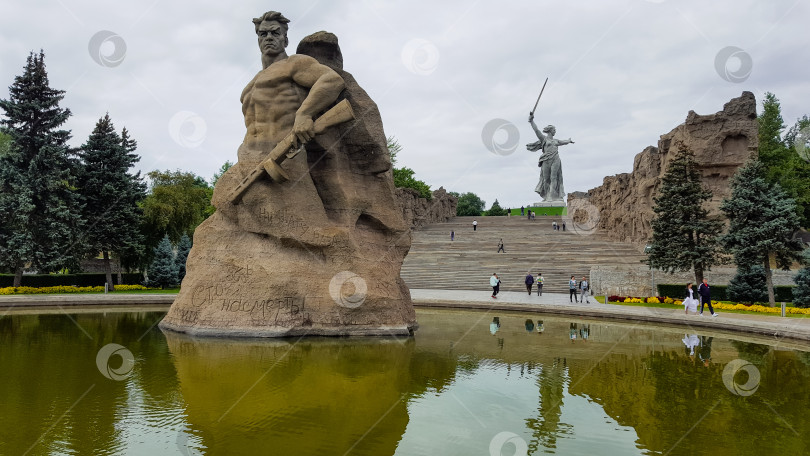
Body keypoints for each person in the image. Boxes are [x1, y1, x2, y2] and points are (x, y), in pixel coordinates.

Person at [527, 113, 574, 202]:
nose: (555, 131)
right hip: (546, 160)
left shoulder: (556, 141)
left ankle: (551, 196)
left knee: (554, 177)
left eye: (555, 130)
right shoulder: (544, 139)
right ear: (549, 130)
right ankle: (546, 196)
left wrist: (569, 140)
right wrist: (532, 121)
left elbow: (564, 142)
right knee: (546, 179)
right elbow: (536, 131)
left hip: (555, 159)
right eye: (554, 129)